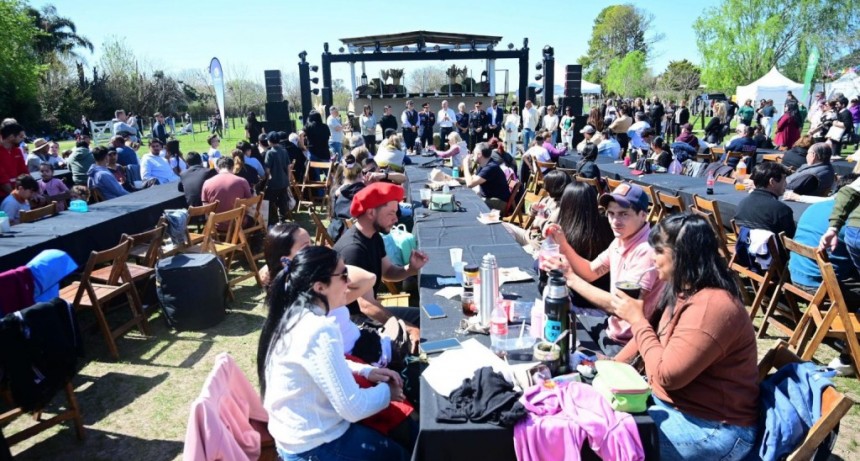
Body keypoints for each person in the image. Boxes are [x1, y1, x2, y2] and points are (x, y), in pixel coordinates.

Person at [612, 213, 759, 461]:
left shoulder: (712, 306)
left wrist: (636, 320)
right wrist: (606, 369)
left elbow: (667, 376)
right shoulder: (683, 288)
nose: (653, 258)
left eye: (659, 251)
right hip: (674, 407)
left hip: (713, 428)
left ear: (683, 254)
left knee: (608, 438)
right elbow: (651, 335)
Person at [257, 246, 410, 461]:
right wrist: (388, 392)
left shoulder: (291, 314)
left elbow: (321, 363)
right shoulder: (318, 329)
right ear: (319, 287)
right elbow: (353, 407)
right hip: (316, 447)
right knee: (405, 453)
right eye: (343, 275)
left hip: (297, 440)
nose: (349, 283)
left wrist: (366, 371)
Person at [541, 183, 664, 357]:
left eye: (623, 214)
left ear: (643, 215)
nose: (615, 221)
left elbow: (621, 306)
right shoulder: (622, 239)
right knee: (559, 329)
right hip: (611, 328)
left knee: (564, 352)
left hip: (627, 343)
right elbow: (591, 272)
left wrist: (569, 276)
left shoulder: (646, 250)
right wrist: (563, 244)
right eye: (611, 214)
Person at [332, 182, 426, 338]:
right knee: (417, 327)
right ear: (370, 213)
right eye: (391, 213)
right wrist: (407, 329)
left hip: (369, 312)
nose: (396, 219)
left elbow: (388, 272)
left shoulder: (374, 236)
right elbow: (366, 306)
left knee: (424, 318)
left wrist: (410, 268)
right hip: (354, 323)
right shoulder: (353, 250)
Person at [555, 182, 613, 309]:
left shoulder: (564, 232)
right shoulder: (608, 226)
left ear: (565, 204)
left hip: (576, 298)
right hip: (604, 298)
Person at [502, 170, 571, 251]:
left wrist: (538, 221)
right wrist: (533, 209)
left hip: (538, 245)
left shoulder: (562, 208)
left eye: (547, 184)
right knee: (503, 226)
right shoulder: (549, 199)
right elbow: (531, 216)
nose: (544, 187)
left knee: (514, 252)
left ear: (554, 186)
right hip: (528, 235)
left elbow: (549, 231)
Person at [734, 162, 795, 238]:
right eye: (784, 179)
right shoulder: (782, 210)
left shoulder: (742, 204)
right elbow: (791, 241)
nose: (786, 183)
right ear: (772, 182)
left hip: (746, 248)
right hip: (771, 250)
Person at [463, 142, 511, 211]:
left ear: (479, 155)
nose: (472, 155)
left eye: (474, 153)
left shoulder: (491, 167)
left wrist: (465, 165)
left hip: (498, 202)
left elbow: (470, 184)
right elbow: (472, 179)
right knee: (468, 200)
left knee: (469, 205)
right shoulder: (483, 164)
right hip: (490, 198)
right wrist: (453, 180)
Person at [264, 132, 292, 226]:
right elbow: (288, 167)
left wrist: (267, 178)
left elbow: (267, 170)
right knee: (282, 201)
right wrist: (288, 179)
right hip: (284, 181)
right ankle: (282, 219)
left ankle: (272, 220)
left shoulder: (270, 153)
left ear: (270, 141)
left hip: (274, 182)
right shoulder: (284, 151)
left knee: (270, 201)